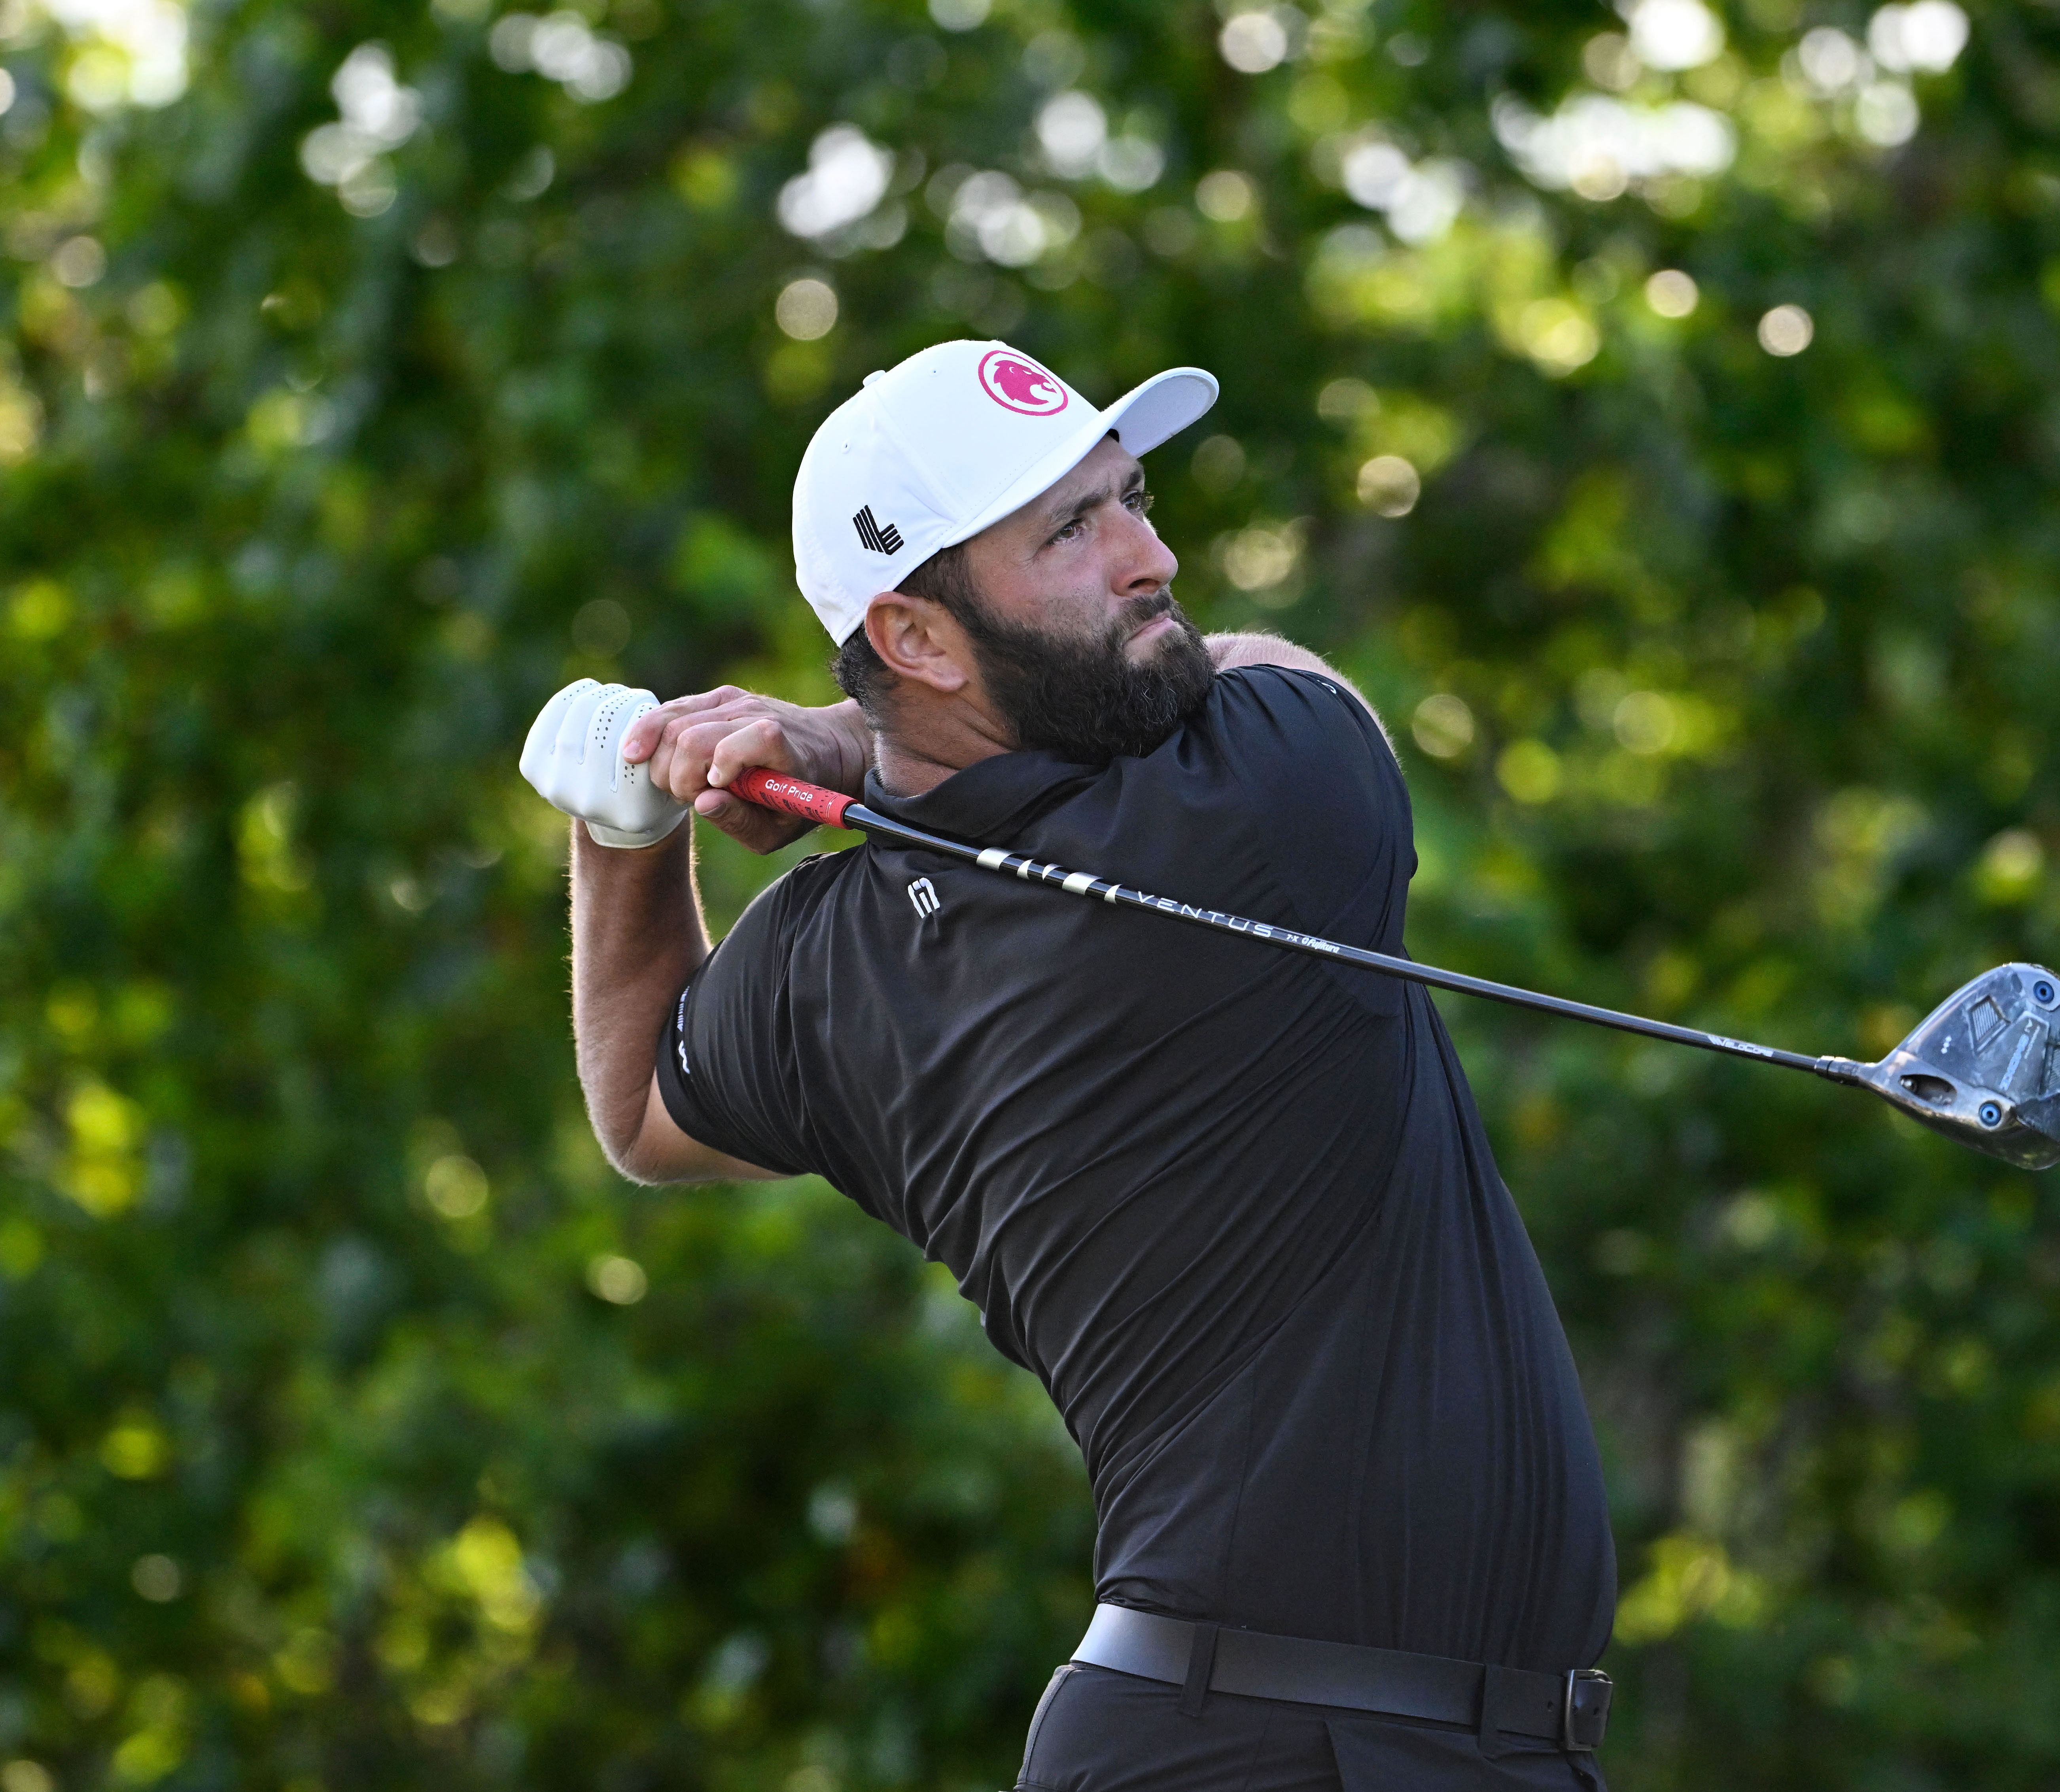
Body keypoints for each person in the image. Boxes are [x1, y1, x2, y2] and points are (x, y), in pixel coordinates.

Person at [520, 340, 1616, 1790]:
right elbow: (1285, 677)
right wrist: (840, 744)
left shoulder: (821, 966)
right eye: (1073, 530)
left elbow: (643, 1107)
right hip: (1298, 1746)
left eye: (1132, 498)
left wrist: (624, 824)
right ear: (914, 637)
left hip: (1244, 1732)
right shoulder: (1262, 807)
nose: (1152, 557)